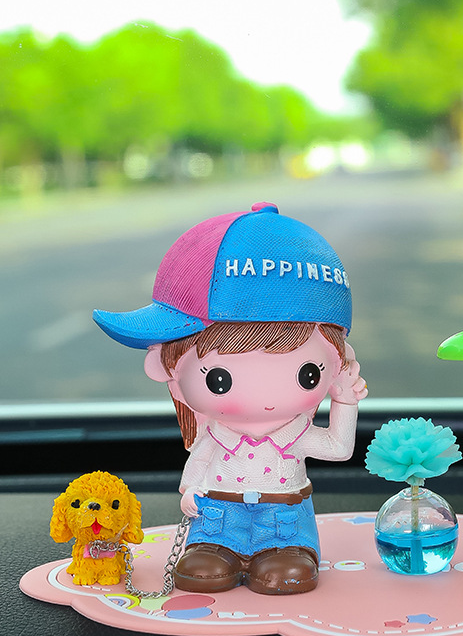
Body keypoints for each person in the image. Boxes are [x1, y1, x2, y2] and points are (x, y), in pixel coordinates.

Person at [93, 202, 367, 594]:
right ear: (168, 370)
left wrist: (345, 402)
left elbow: (339, 448)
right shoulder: (216, 434)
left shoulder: (295, 435)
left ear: (338, 363)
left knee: (284, 567)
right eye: (219, 379)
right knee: (205, 564)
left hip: (284, 519)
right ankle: (216, 549)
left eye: (307, 374)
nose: (264, 397)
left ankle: (285, 552)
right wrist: (189, 490)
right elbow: (197, 465)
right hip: (218, 516)